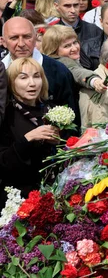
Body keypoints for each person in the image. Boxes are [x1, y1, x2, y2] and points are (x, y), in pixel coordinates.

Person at [0, 57, 59, 208]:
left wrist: (59, 142)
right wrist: (29, 138)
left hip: (53, 193)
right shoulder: (7, 116)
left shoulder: (51, 110)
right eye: (23, 78)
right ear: (11, 82)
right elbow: (4, 163)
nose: (32, 83)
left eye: (36, 76)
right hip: (20, 200)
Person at [1, 17, 80, 124]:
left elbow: (72, 119)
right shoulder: (2, 71)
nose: (21, 44)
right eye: (14, 38)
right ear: (3, 42)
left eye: (26, 37)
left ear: (36, 37)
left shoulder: (58, 71)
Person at [41, 25, 107, 94]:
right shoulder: (63, 61)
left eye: (75, 42)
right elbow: (77, 72)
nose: (75, 48)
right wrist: (94, 81)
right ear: (54, 50)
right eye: (67, 46)